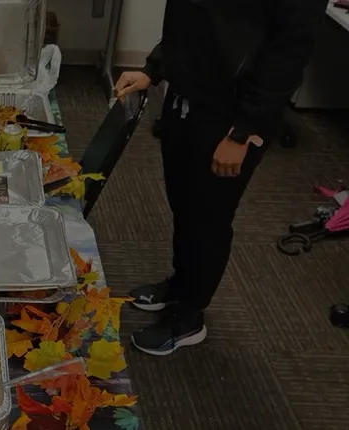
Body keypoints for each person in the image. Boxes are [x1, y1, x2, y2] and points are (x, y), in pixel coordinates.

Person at [115, 0, 327, 356]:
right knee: (183, 203)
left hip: (232, 116)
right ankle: (181, 285)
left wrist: (245, 131)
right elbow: (191, 18)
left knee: (208, 218)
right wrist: (155, 68)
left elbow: (288, 54)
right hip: (186, 97)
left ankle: (190, 316)